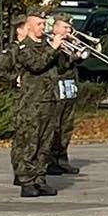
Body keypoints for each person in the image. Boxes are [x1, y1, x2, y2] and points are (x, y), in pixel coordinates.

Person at [11, 11, 75, 198]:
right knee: (30, 143)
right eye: (39, 24)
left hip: (50, 100)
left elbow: (61, 67)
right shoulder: (24, 48)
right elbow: (37, 65)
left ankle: (40, 179)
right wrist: (54, 47)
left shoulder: (47, 45)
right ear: (29, 26)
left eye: (43, 24)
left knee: (45, 144)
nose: (43, 28)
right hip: (32, 102)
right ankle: (27, 181)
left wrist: (64, 50)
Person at [46, 16, 85, 176]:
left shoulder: (68, 43)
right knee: (54, 125)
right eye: (64, 27)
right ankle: (50, 161)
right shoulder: (49, 43)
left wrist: (76, 54)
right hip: (56, 87)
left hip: (69, 86)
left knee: (66, 126)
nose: (68, 31)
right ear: (54, 28)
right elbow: (59, 66)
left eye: (69, 28)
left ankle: (62, 159)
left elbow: (73, 63)